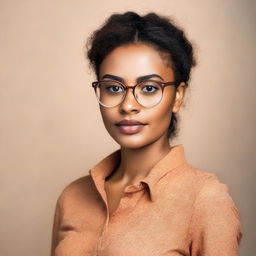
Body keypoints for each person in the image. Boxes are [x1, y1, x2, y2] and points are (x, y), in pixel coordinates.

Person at [50, 11, 242, 256]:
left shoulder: (205, 199)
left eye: (149, 88)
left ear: (178, 96)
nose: (128, 105)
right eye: (113, 88)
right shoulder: (72, 197)